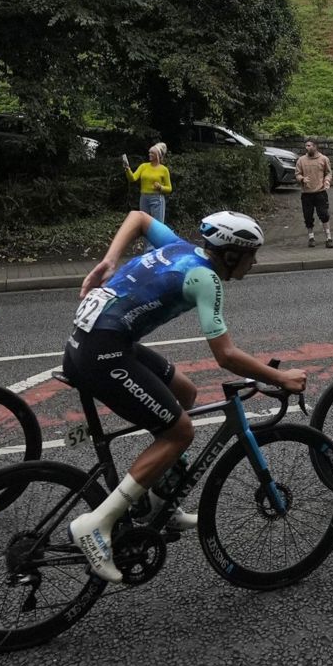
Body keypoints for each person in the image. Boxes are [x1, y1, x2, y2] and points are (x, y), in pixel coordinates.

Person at [65, 209, 305, 583]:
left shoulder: (180, 247)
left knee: (185, 392)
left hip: (98, 341)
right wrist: (279, 376)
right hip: (102, 352)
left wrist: (110, 260)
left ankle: (161, 496)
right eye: (251, 254)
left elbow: (139, 218)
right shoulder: (206, 279)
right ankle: (97, 522)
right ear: (230, 255)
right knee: (180, 432)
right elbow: (226, 355)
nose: (254, 262)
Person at [296, 138, 333, 248]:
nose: (307, 148)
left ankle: (328, 238)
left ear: (315, 146)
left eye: (309, 145)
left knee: (324, 215)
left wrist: (327, 181)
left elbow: (328, 173)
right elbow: (297, 174)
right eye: (306, 146)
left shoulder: (323, 159)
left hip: (320, 192)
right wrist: (302, 179)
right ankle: (311, 238)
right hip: (306, 193)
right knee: (308, 217)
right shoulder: (301, 160)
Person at [122, 143, 173, 223]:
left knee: (157, 225)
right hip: (144, 198)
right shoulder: (143, 166)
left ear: (158, 155)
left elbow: (169, 189)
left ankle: (157, 236)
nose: (150, 154)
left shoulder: (164, 170)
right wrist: (127, 169)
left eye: (152, 153)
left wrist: (160, 187)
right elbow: (132, 178)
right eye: (149, 152)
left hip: (157, 199)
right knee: (145, 224)